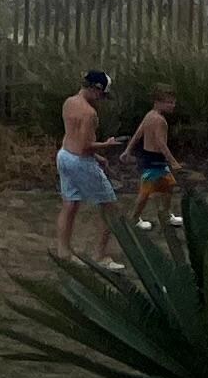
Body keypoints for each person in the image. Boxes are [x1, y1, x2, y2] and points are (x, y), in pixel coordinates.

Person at [56, 72, 118, 260]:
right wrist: (107, 145)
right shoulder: (89, 113)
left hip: (65, 155)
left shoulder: (68, 102)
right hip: (81, 162)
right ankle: (100, 255)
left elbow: (73, 136)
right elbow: (85, 146)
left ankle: (63, 251)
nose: (101, 99)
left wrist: (97, 156)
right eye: (101, 94)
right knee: (109, 208)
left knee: (70, 204)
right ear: (96, 88)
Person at [127, 86, 183, 228]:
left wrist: (127, 150)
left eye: (173, 102)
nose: (172, 105)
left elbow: (138, 134)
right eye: (169, 102)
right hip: (154, 160)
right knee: (145, 192)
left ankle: (165, 215)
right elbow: (161, 144)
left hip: (150, 158)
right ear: (158, 102)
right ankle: (134, 218)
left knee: (168, 186)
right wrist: (173, 161)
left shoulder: (149, 115)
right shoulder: (159, 120)